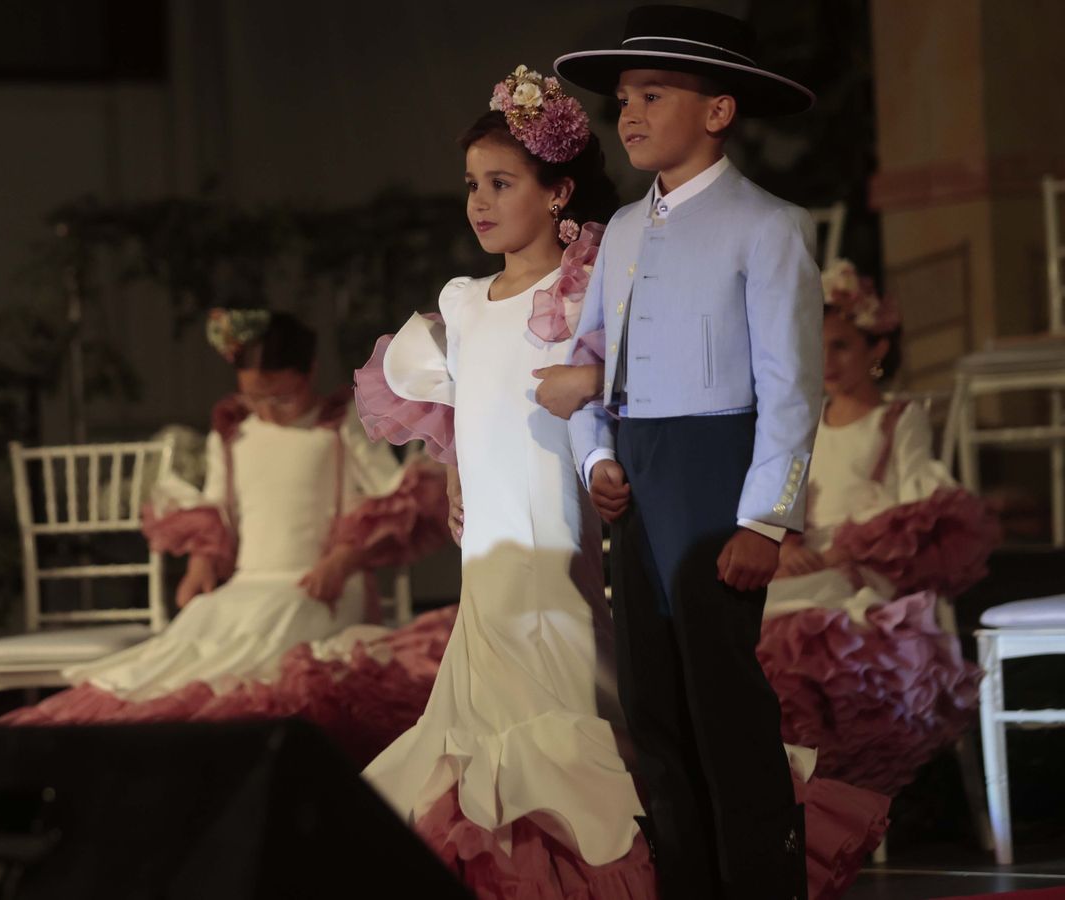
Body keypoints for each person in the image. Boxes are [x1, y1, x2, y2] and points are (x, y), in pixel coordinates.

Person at [356, 62, 885, 898]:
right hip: (542, 536)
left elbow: (755, 378)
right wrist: (499, 456)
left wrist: (765, 517)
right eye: (472, 186)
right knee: (637, 717)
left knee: (684, 708)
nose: (480, 201)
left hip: (640, 514)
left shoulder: (724, 236)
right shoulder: (536, 273)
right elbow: (505, 385)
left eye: (501, 182)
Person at [557, 6, 831, 896]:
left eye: (652, 94)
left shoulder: (768, 226)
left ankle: (762, 881)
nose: (628, 113)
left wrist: (765, 517)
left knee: (722, 704)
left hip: (719, 478)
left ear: (717, 111)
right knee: (653, 704)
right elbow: (590, 360)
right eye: (624, 99)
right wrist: (596, 457)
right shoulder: (625, 234)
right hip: (638, 480)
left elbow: (792, 388)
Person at [0, 310, 448, 731]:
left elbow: (392, 498)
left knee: (276, 634)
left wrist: (344, 559)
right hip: (248, 582)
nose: (267, 409)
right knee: (199, 625)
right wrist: (201, 560)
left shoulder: (337, 425)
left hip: (317, 581)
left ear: (308, 372)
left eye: (281, 395)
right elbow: (217, 508)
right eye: (254, 396)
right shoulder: (234, 433)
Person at [759, 260, 996, 795]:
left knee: (802, 621)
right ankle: (784, 793)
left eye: (841, 345)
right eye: (818, 347)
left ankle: (837, 787)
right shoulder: (807, 421)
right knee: (747, 612)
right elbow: (787, 495)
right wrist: (790, 541)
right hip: (810, 561)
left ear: (876, 349)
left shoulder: (896, 418)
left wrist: (853, 549)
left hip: (869, 566)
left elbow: (919, 500)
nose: (828, 361)